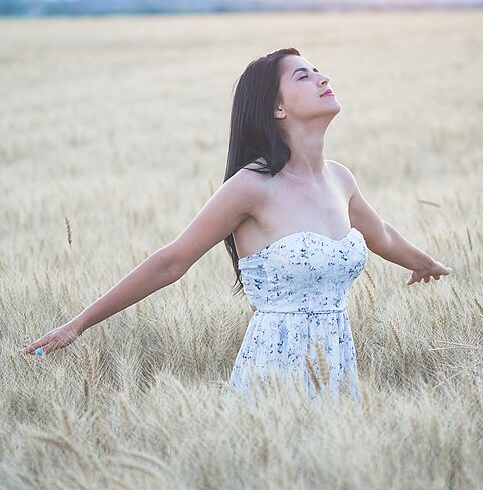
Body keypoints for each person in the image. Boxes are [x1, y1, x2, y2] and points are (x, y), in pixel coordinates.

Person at [21, 47, 450, 404]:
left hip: (336, 364)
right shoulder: (251, 186)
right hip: (274, 372)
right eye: (303, 76)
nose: (321, 78)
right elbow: (171, 262)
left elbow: (382, 236)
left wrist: (426, 263)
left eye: (318, 71)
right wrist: (76, 324)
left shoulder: (339, 179)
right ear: (277, 107)